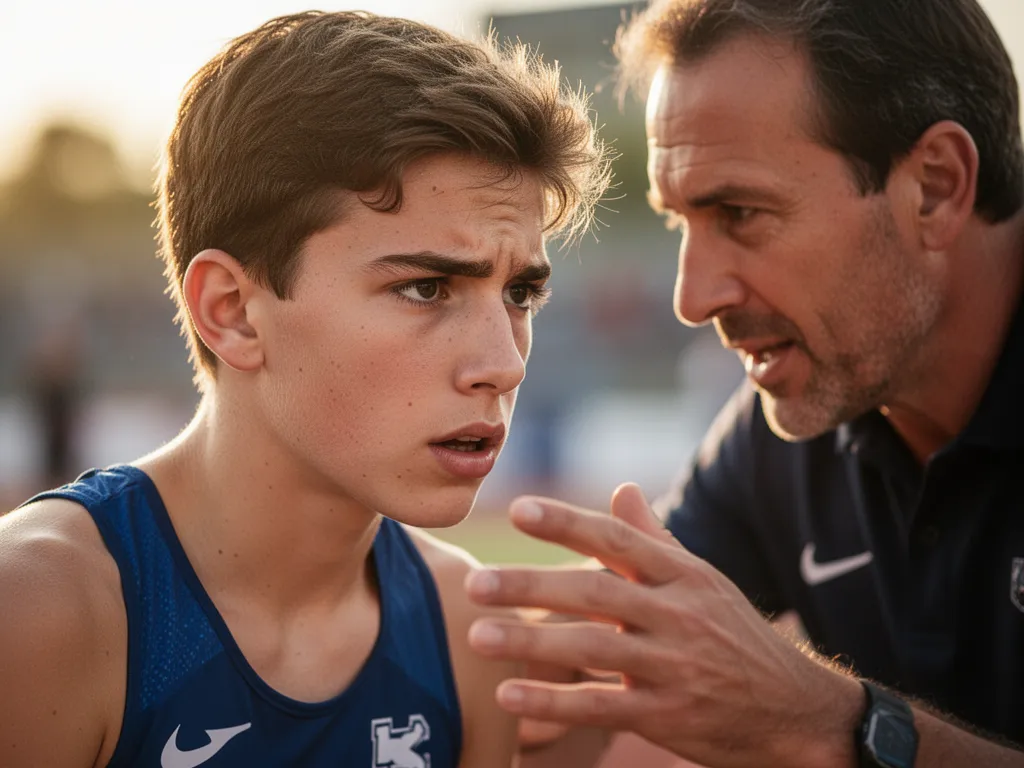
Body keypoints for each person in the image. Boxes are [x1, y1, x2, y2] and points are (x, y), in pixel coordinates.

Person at [0, 11, 611, 768]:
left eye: (520, 293)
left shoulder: (468, 632)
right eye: (425, 288)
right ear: (233, 312)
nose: (504, 362)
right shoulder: (38, 610)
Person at [465, 0, 1024, 766]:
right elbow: (585, 674)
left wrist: (831, 723)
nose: (693, 299)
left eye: (739, 211)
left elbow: (793, 716)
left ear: (934, 186)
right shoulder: (793, 425)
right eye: (680, 222)